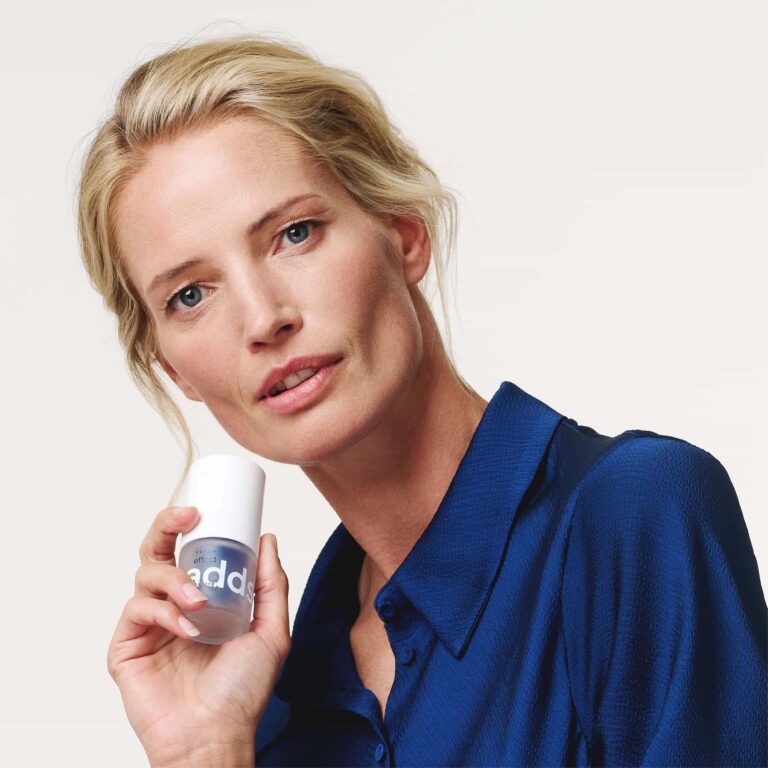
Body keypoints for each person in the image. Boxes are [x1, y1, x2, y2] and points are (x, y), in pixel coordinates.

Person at [77, 33, 767, 767]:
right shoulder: (272, 698)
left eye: (294, 234)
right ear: (175, 371)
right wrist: (206, 748)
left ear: (404, 234)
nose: (262, 318)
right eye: (190, 295)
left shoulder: (632, 514)